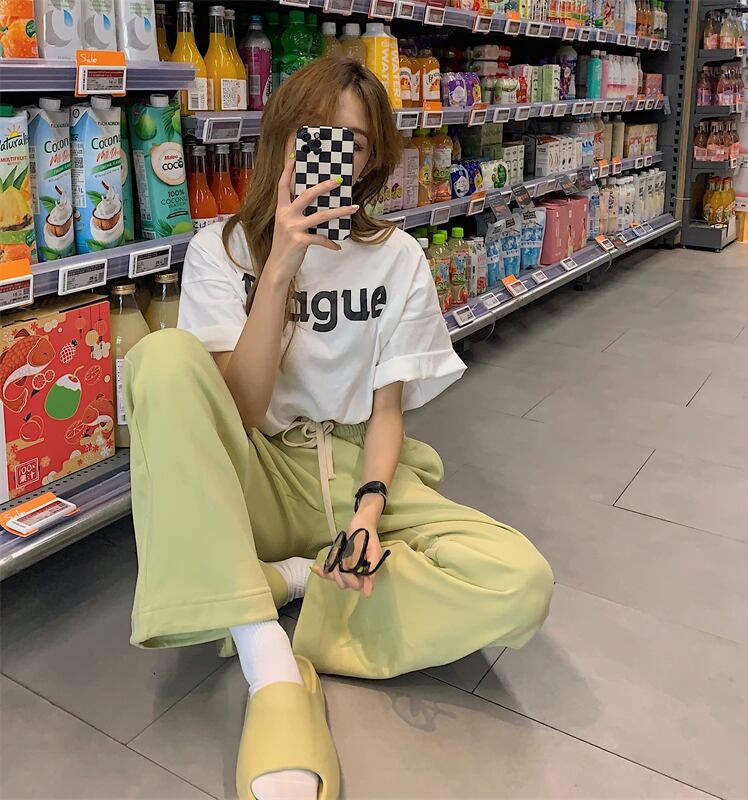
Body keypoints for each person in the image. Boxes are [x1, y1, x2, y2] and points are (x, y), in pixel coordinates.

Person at [124, 57, 554, 800]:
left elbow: (388, 411)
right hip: (261, 471)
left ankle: (274, 586)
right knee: (160, 360)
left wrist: (368, 513)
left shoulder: (397, 257)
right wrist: (279, 268)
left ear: (371, 159)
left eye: (352, 143)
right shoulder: (221, 251)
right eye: (314, 134)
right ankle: (271, 662)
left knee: (521, 582)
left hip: (358, 466)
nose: (332, 156)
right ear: (281, 139)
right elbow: (242, 410)